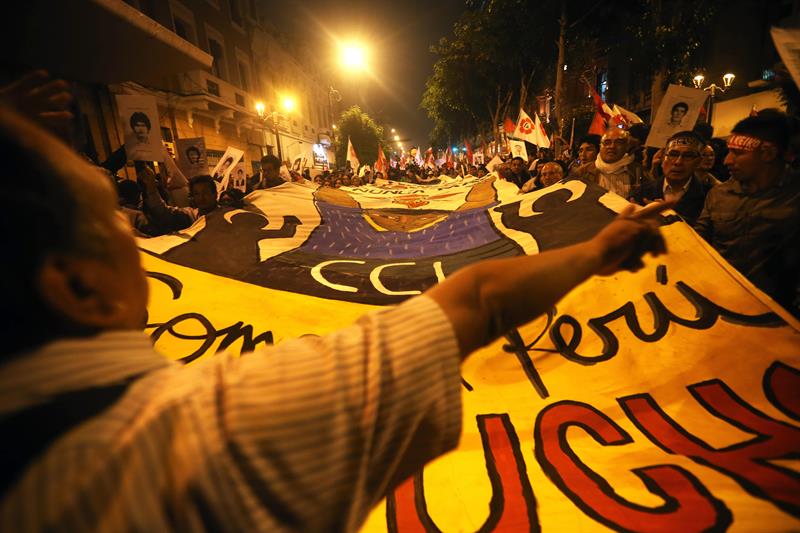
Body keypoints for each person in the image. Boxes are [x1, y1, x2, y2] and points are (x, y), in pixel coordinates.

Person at [0, 106, 671, 531]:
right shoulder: (207, 431)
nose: (134, 230)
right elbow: (478, 299)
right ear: (79, 287)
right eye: (112, 218)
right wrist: (599, 250)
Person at [694, 111, 800, 316]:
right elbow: (699, 242)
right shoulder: (719, 194)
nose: (727, 161)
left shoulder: (795, 194)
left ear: (768, 153)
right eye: (728, 152)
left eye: (738, 153)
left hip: (781, 316)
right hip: (721, 306)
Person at [632, 131, 713, 225]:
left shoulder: (709, 196)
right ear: (662, 157)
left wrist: (669, 215)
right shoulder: (643, 192)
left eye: (687, 156)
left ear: (699, 162)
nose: (678, 162)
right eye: (673, 154)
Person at [142, 169, 218, 234]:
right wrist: (152, 189)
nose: (201, 198)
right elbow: (163, 211)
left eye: (205, 192)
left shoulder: (226, 214)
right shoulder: (190, 215)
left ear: (215, 194)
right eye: (196, 194)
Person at [574, 128, 643, 199]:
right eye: (607, 143)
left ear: (626, 146)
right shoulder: (583, 172)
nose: (612, 146)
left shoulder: (638, 172)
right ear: (600, 146)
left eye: (618, 142)